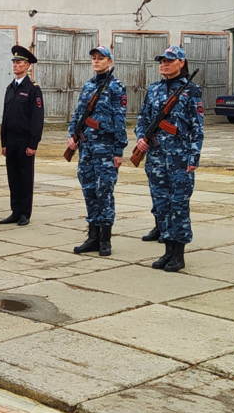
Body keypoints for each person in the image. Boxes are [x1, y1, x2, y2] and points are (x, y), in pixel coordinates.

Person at [135, 46, 203, 273]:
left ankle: (178, 254)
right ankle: (167, 250)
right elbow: (143, 118)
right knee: (162, 205)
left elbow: (197, 128)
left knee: (179, 205)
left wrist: (194, 157)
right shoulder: (153, 89)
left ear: (181, 63)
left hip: (180, 158)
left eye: (169, 61)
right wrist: (141, 138)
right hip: (155, 157)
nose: (164, 64)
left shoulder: (191, 90)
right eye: (161, 61)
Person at [68, 46, 127, 256]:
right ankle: (92, 237)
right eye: (94, 58)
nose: (96, 61)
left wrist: (119, 150)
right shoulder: (88, 85)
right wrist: (72, 135)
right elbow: (79, 113)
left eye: (101, 58)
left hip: (106, 149)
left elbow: (120, 119)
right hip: (86, 149)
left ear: (109, 62)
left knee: (104, 192)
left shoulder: (116, 87)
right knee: (89, 191)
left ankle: (105, 240)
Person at [0, 46, 45, 228]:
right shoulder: (10, 88)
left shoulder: (33, 89)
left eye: (19, 62)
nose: (15, 65)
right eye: (14, 62)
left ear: (27, 66)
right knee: (13, 177)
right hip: (11, 141)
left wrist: (33, 143)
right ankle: (15, 211)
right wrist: (3, 142)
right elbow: (5, 117)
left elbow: (37, 118)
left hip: (25, 141)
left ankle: (25, 213)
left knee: (25, 178)